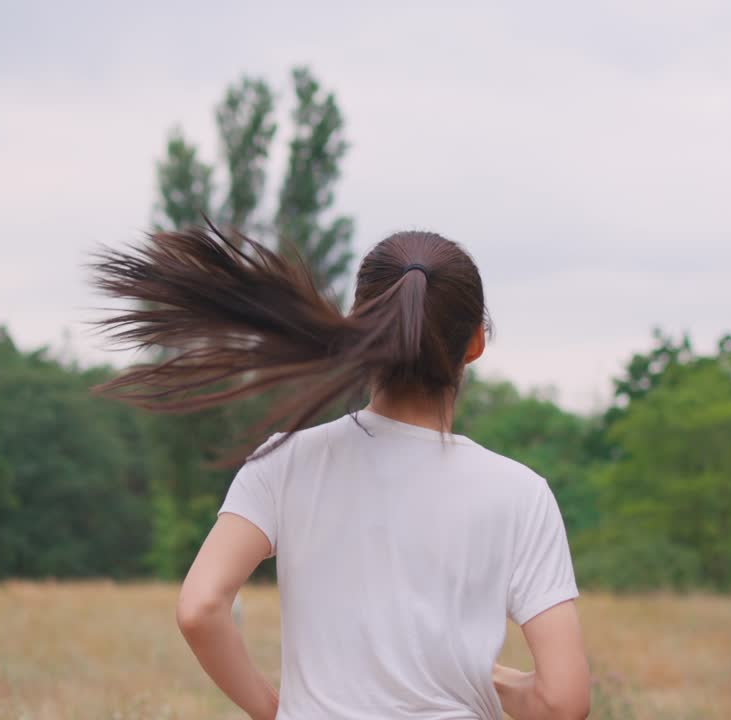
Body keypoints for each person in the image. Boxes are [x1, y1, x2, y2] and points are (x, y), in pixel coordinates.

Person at [92, 225, 590, 720]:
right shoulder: (521, 494)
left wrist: (273, 710)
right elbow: (563, 702)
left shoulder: (283, 460)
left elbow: (200, 607)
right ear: (476, 343)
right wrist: (480, 676)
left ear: (362, 327)